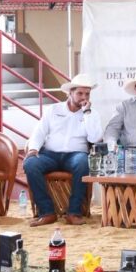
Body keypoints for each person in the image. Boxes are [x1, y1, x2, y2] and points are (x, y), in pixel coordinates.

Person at [23, 73, 103, 227]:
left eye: (87, 94)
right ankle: (47, 213)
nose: (84, 97)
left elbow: (95, 138)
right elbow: (40, 131)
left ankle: (74, 213)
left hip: (76, 155)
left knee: (83, 163)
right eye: (80, 93)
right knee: (30, 164)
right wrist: (33, 149)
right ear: (70, 93)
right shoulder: (53, 109)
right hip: (49, 154)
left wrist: (87, 113)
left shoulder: (92, 114)